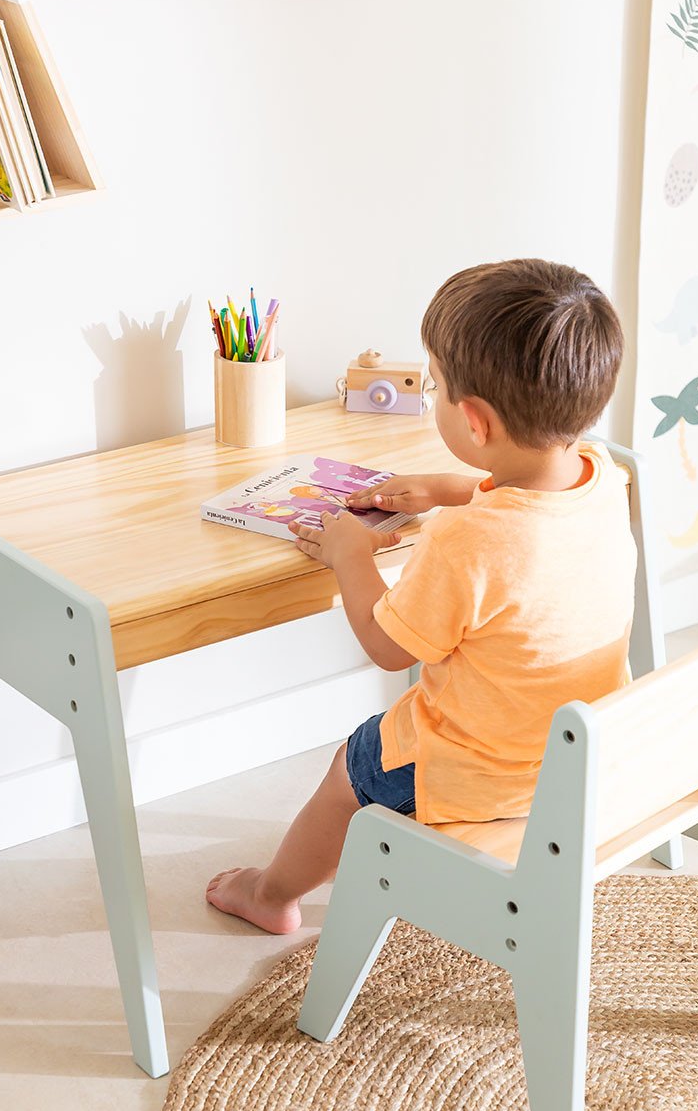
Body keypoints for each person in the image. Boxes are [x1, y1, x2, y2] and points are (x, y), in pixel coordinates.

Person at [206, 258, 636, 933]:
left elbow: (386, 644)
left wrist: (351, 557)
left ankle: (269, 894)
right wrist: (443, 486)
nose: (432, 396)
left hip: (478, 773)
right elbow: (528, 500)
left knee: (353, 767)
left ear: (474, 421)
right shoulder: (602, 477)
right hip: (576, 756)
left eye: (433, 385)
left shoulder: (468, 542)